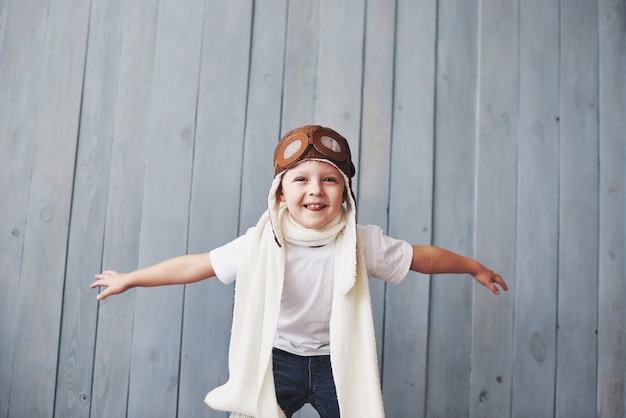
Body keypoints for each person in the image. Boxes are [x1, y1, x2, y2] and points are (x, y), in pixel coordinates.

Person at [91, 125, 507, 418]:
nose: (314, 190)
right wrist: (131, 277)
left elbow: (422, 258)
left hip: (337, 362)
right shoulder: (261, 242)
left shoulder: (359, 241)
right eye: (301, 179)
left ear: (344, 193)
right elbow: (196, 264)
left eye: (329, 179)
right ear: (280, 191)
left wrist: (474, 267)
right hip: (278, 360)